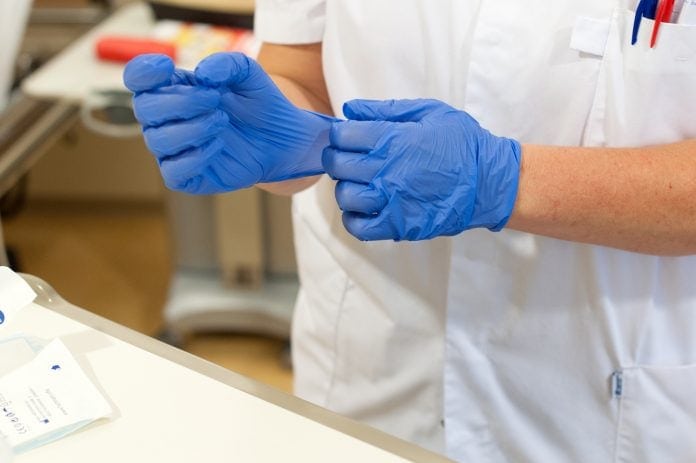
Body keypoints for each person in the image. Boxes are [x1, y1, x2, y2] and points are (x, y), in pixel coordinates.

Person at [123, 1, 696, 461]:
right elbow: (298, 73)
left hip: (598, 399)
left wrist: (504, 180)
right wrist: (278, 135)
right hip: (368, 368)